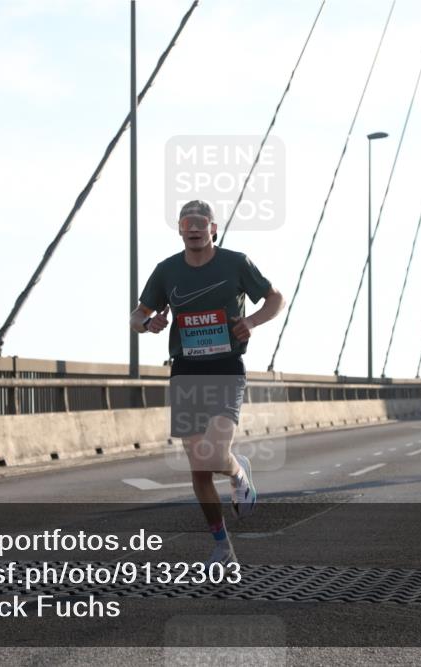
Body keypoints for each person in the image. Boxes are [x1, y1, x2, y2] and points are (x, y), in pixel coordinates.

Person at [130, 200, 284, 565]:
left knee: (215, 454)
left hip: (226, 368)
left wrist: (254, 321)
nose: (194, 229)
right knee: (198, 468)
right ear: (180, 230)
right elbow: (139, 314)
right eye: (187, 223)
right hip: (186, 370)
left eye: (202, 223)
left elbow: (275, 297)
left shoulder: (236, 263)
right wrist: (147, 324)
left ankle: (237, 473)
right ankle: (222, 546)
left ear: (214, 229)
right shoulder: (166, 271)